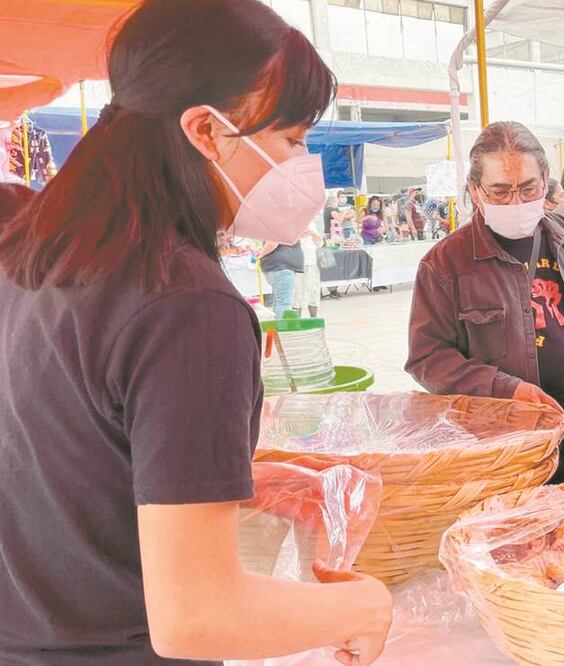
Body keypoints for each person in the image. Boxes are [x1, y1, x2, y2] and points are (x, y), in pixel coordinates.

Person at [0, 1, 393, 665]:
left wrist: (238, 478)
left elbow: (66, 451)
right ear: (206, 131)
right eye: (292, 139)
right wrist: (363, 606)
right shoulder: (187, 305)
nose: (303, 164)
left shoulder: (34, 252)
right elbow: (198, 614)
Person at [406, 121, 564, 484]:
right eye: (500, 192)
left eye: (528, 188)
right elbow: (428, 358)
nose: (516, 202)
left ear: (546, 179)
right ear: (475, 190)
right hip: (506, 454)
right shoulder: (445, 265)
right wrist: (505, 389)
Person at [259, 240, 304, 319]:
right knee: (283, 303)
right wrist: (260, 255)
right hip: (282, 267)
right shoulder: (281, 227)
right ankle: (280, 328)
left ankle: (277, 326)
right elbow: (273, 242)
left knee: (279, 301)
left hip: (277, 266)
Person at [293, 225, 323, 317]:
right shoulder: (292, 222)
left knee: (313, 291)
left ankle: (314, 318)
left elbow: (320, 243)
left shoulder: (311, 223)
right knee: (297, 292)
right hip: (296, 263)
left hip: (312, 262)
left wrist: (312, 233)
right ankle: (296, 320)